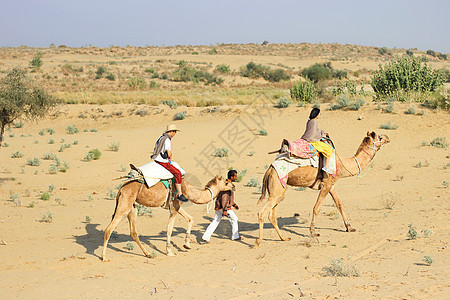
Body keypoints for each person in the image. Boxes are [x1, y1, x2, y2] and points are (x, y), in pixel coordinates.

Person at [151, 124, 188, 202]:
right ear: (171, 132)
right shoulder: (167, 140)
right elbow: (169, 152)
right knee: (178, 173)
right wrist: (170, 156)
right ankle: (179, 194)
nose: (175, 134)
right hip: (162, 161)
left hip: (157, 158)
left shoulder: (161, 137)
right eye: (174, 132)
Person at [202, 170, 241, 243]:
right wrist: (225, 210)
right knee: (235, 219)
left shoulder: (224, 183)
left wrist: (233, 204)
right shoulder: (227, 186)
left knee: (215, 221)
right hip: (224, 207)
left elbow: (227, 198)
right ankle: (235, 236)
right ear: (231, 177)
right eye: (235, 176)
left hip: (219, 206)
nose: (236, 177)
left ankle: (206, 237)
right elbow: (224, 197)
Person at [301, 108, 333, 174]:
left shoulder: (309, 121)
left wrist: (323, 131)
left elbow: (314, 130)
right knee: (329, 149)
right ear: (316, 114)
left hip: (307, 138)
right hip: (312, 141)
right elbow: (314, 133)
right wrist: (321, 134)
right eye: (319, 114)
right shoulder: (314, 121)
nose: (319, 115)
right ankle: (326, 167)